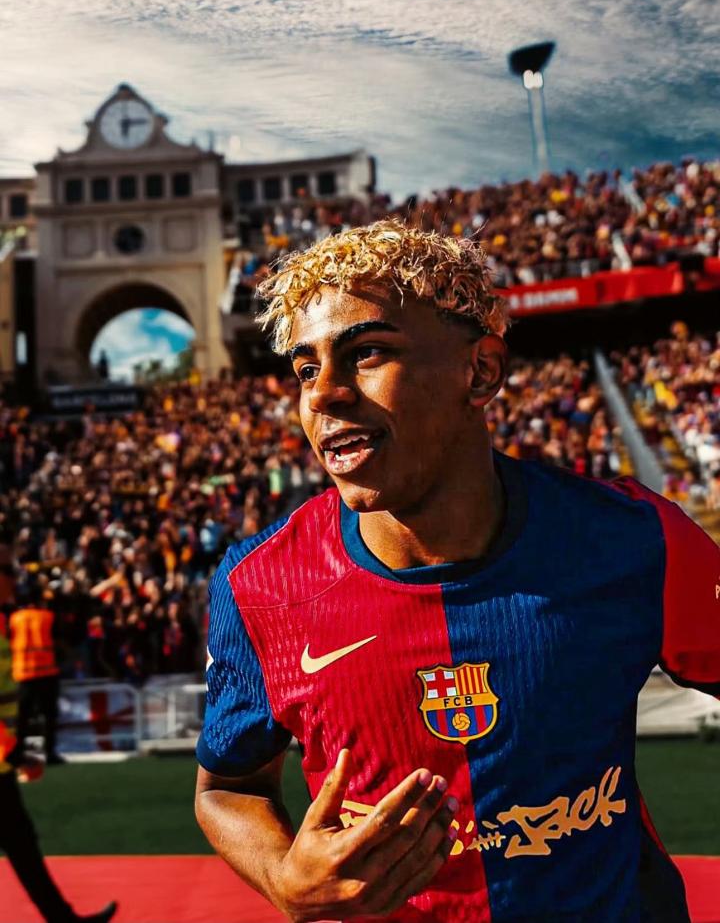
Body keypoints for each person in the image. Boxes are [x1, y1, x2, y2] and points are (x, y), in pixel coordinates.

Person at [199, 218, 720, 922]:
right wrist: (282, 877)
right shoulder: (259, 585)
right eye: (306, 369)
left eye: (367, 352)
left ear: (481, 373)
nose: (322, 395)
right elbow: (227, 787)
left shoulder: (635, 538)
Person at [0, 544, 117, 923]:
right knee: (21, 843)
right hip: (6, 752)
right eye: (7, 571)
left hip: (3, 760)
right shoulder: (33, 617)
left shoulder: (10, 620)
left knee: (21, 843)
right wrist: (16, 753)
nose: (14, 579)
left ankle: (62, 919)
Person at [10, 577, 63, 764]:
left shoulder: (14, 619)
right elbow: (58, 641)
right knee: (49, 715)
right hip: (47, 674)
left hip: (23, 674)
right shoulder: (48, 617)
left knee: (21, 717)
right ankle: (50, 753)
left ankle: (17, 754)